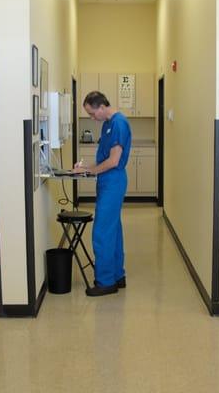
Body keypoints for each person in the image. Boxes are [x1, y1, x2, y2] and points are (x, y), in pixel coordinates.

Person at [73, 91, 132, 297]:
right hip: (108, 181)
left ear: (101, 107)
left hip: (113, 181)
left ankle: (106, 281)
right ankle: (117, 275)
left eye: (91, 113)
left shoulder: (118, 123)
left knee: (102, 231)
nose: (92, 118)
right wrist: (85, 169)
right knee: (113, 229)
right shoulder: (108, 124)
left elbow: (114, 161)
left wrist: (89, 171)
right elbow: (103, 160)